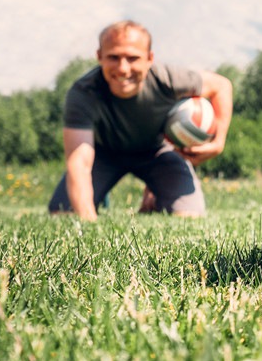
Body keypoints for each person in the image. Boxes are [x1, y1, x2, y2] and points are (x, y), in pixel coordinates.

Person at [48, 20, 232, 220]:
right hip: (104, 155)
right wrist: (87, 221)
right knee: (64, 213)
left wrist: (218, 141)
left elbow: (221, 86)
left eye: (133, 58)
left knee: (189, 216)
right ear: (99, 56)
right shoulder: (83, 93)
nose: (123, 68)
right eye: (114, 57)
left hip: (157, 152)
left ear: (149, 58)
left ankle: (155, 195)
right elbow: (80, 162)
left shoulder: (168, 79)